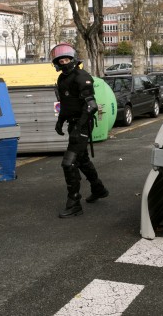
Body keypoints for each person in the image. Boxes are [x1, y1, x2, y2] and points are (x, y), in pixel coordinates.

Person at [51, 43, 108, 218]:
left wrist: (79, 128)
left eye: (66, 59)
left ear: (73, 59)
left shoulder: (82, 76)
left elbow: (91, 106)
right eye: (60, 60)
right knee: (82, 159)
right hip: (72, 123)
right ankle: (98, 188)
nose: (63, 62)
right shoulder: (62, 79)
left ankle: (74, 202)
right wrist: (60, 121)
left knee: (69, 163)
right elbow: (66, 104)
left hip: (82, 124)